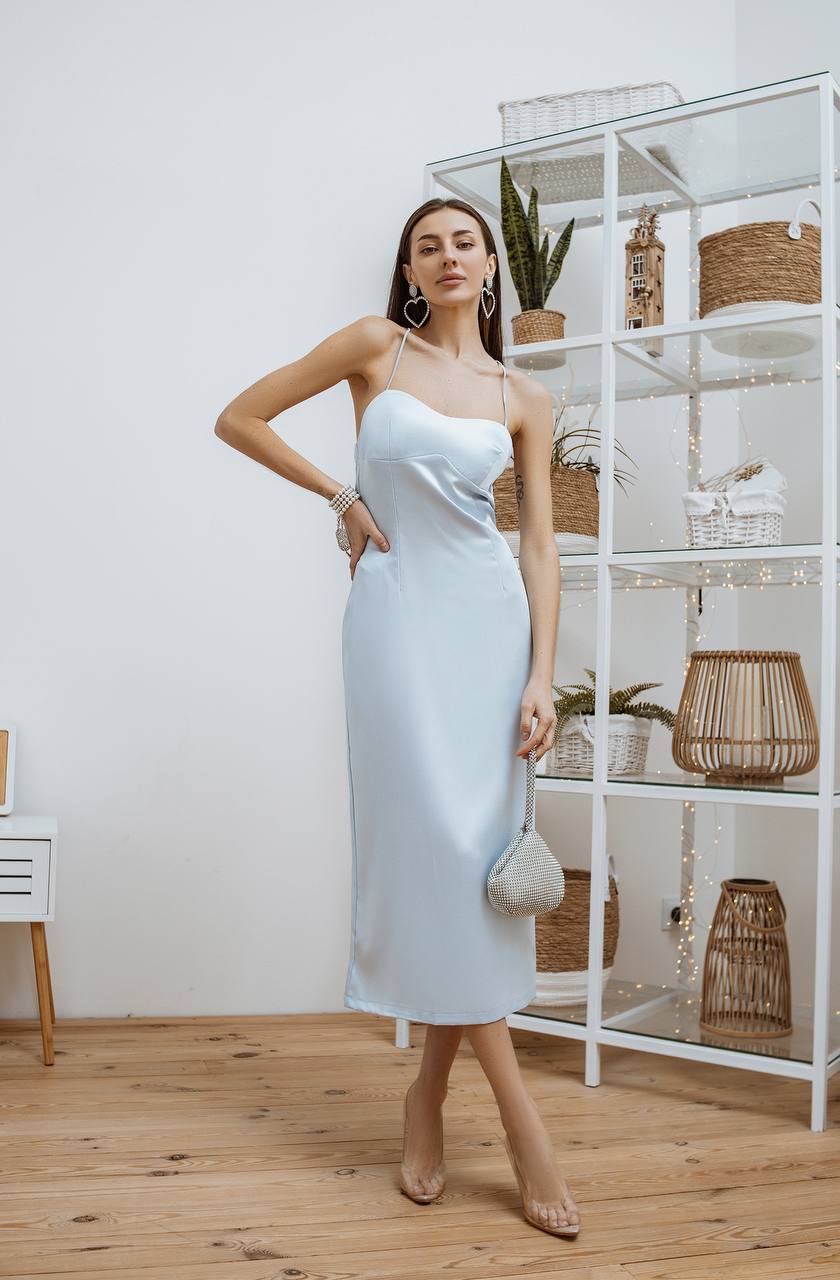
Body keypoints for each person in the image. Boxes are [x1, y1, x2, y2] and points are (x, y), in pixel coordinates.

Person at [214, 197, 581, 1238]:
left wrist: (543, 674)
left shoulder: (525, 393)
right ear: (411, 272)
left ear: (493, 268)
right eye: (429, 245)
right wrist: (339, 493)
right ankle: (521, 1122)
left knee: (468, 869)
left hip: (490, 636)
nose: (449, 255)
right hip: (393, 627)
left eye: (465, 240)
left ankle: (426, 1094)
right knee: (426, 854)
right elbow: (238, 415)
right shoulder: (377, 347)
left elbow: (541, 549)